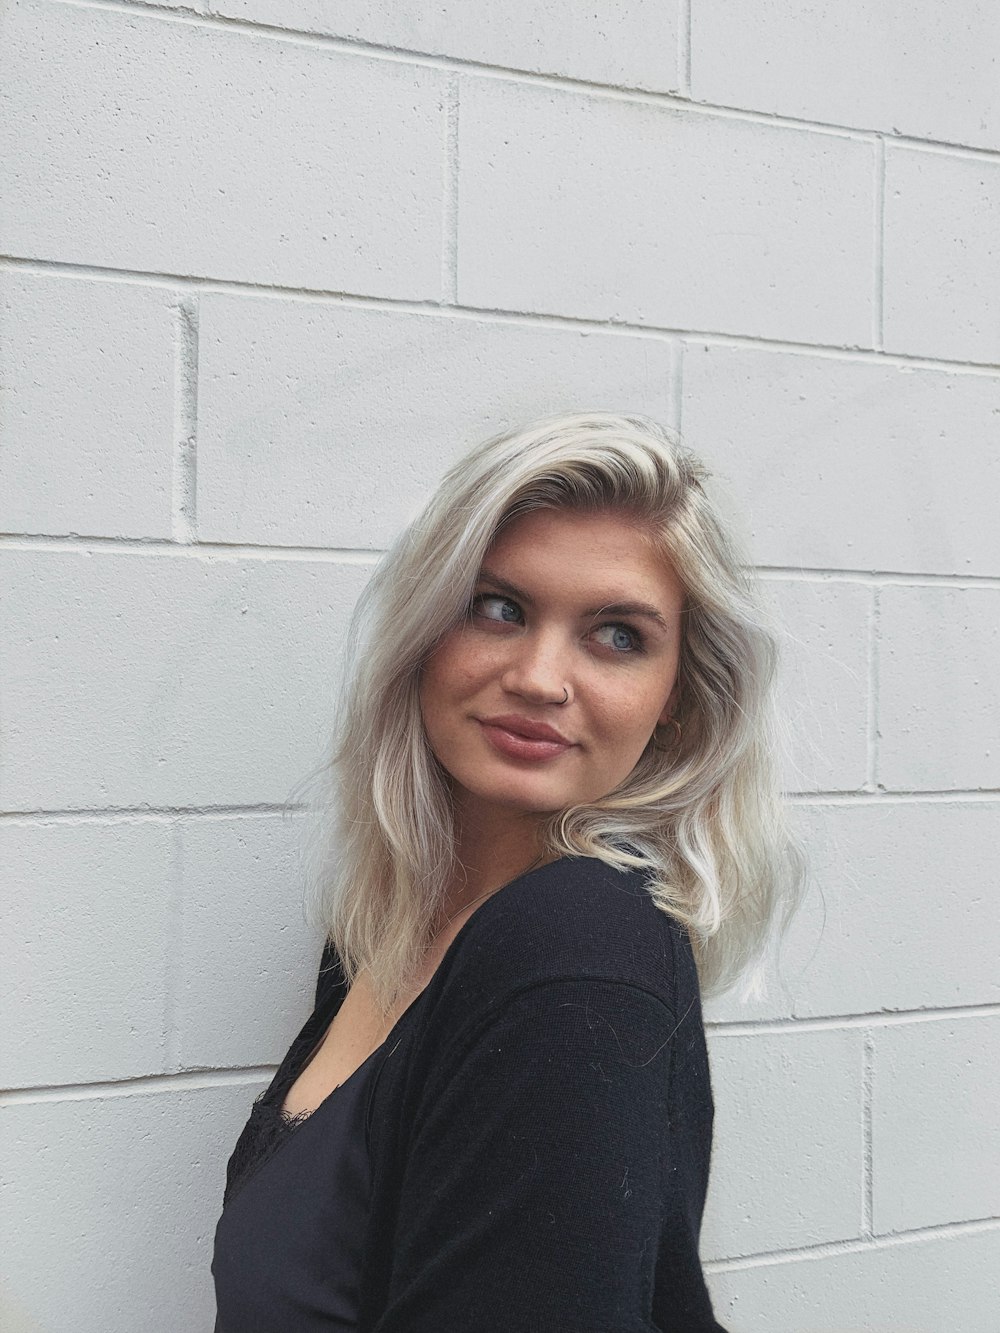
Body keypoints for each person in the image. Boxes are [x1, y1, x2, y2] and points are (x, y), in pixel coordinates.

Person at [211, 410, 804, 1331]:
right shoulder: (384, 928)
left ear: (677, 704)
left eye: (616, 635)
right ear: (424, 635)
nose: (537, 676)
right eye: (499, 608)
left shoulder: (576, 944)